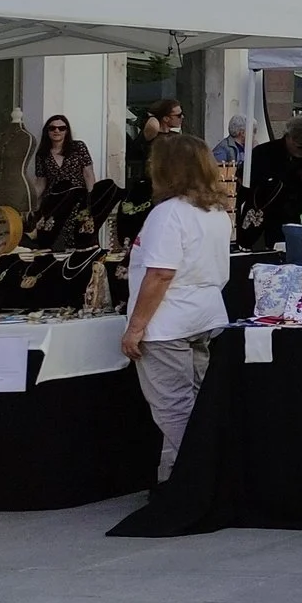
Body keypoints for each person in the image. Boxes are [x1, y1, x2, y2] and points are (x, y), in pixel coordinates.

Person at [122, 131, 232, 483]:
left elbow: (160, 274)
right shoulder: (216, 212)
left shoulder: (168, 214)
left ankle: (195, 478)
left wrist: (136, 327)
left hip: (168, 321)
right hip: (204, 314)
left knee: (173, 408)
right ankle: (173, 478)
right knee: (196, 402)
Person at [243, 118, 302, 249]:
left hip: (290, 223)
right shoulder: (263, 153)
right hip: (257, 221)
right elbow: (241, 183)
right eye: (300, 146)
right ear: (288, 137)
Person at [30, 114, 94, 201]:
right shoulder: (42, 154)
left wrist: (92, 199)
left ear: (66, 131)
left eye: (61, 128)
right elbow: (41, 182)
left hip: (78, 198)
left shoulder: (78, 147)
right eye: (52, 128)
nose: (57, 131)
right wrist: (30, 202)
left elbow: (88, 174)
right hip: (54, 201)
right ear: (47, 131)